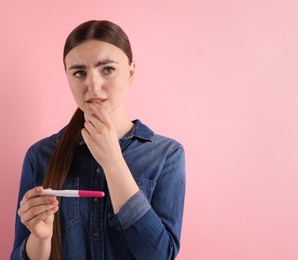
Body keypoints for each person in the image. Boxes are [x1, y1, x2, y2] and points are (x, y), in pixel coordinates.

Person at [11, 20, 186, 260]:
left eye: (108, 69)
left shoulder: (166, 155)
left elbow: (160, 255)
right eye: (79, 73)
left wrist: (113, 161)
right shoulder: (40, 155)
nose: (93, 85)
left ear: (130, 72)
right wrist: (41, 238)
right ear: (67, 76)